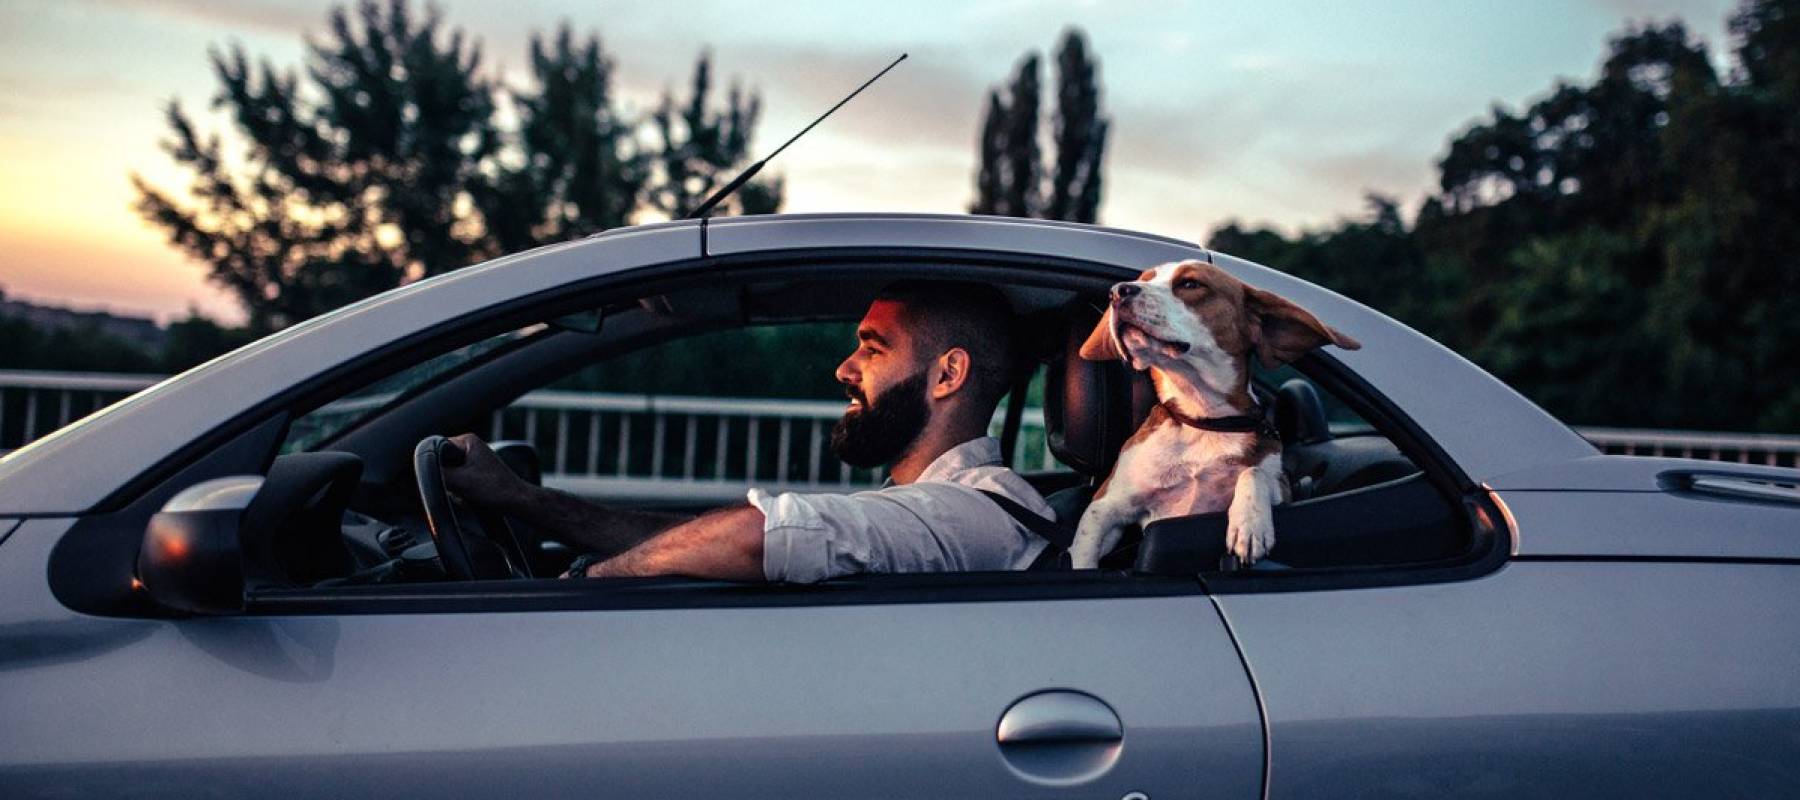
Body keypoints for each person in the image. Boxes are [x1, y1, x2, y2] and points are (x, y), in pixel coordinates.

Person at [442, 280, 1057, 582]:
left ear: (948, 374)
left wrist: (584, 586)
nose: (843, 369)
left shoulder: (977, 511)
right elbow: (693, 538)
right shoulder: (932, 507)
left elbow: (762, 533)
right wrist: (522, 501)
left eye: (872, 349)